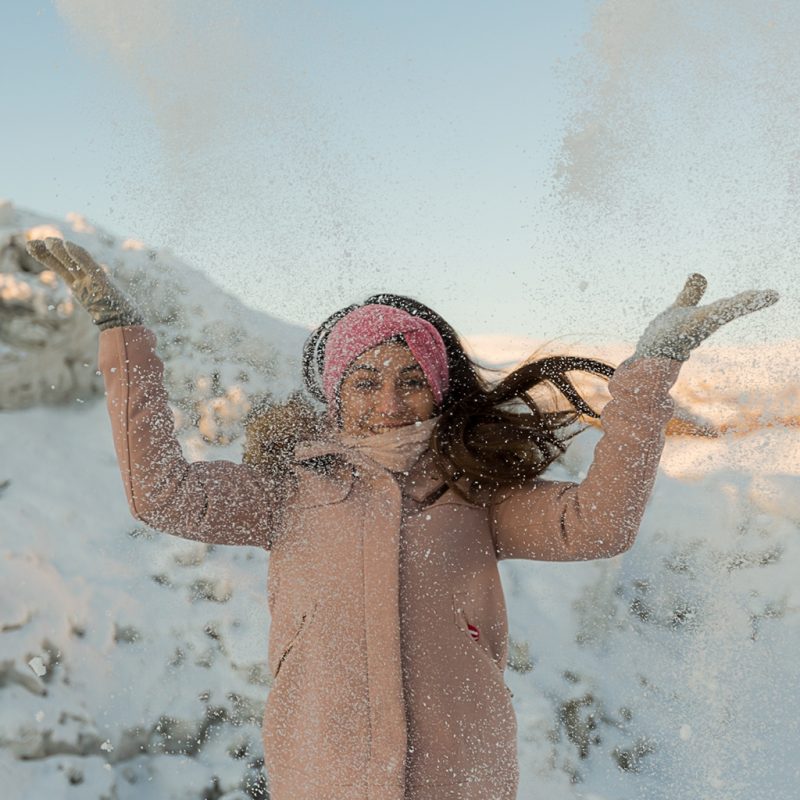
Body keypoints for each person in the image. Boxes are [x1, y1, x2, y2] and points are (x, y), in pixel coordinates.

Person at [27, 237, 778, 800]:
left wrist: (649, 373)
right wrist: (125, 339)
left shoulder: (473, 496)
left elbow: (598, 524)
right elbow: (163, 492)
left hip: (462, 776)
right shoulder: (287, 493)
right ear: (333, 393)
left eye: (411, 379)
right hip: (323, 777)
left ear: (441, 389)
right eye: (365, 381)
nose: (388, 401)